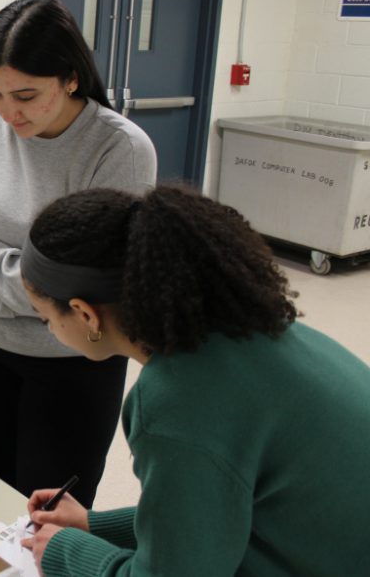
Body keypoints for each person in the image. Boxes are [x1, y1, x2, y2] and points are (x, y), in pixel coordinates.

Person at [20, 185, 370, 576]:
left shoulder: (177, 401)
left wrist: (65, 551)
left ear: (85, 314)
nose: (48, 328)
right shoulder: (252, 329)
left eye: (45, 317)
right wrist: (95, 526)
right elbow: (216, 509)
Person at [0, 0, 157, 504]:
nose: (8, 113)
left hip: (75, 359)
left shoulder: (120, 150)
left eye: (26, 96)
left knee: (48, 512)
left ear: (70, 77)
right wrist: (30, 282)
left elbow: (86, 289)